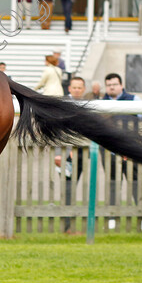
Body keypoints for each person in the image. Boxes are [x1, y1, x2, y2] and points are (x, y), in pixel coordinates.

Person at [103, 72, 142, 228]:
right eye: (109, 85)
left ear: (121, 85)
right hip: (109, 151)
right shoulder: (101, 102)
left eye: (114, 84)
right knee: (113, 183)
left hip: (130, 148)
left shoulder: (134, 100)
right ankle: (112, 219)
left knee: (136, 181)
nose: (112, 87)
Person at [57, 76, 87, 233]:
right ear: (69, 88)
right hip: (65, 153)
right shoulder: (62, 104)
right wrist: (59, 154)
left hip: (84, 152)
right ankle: (67, 225)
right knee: (68, 187)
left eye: (79, 87)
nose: (76, 90)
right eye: (74, 87)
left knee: (83, 187)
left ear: (84, 89)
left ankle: (78, 223)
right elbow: (57, 132)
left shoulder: (87, 105)